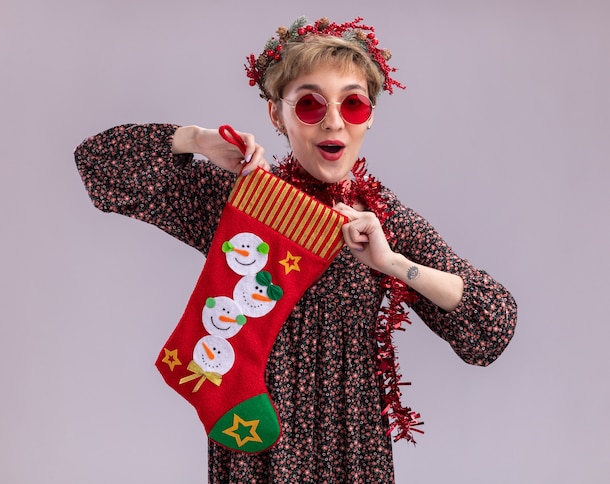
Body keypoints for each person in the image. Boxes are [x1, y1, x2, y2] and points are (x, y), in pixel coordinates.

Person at [75, 16, 517, 484]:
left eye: (353, 104)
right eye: (309, 104)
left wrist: (392, 263)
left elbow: (492, 325)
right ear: (275, 115)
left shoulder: (379, 221)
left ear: (370, 117)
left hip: (351, 447)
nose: (333, 121)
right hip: (253, 443)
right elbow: (101, 169)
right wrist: (200, 140)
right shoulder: (246, 202)